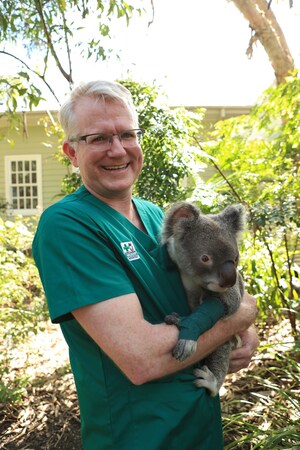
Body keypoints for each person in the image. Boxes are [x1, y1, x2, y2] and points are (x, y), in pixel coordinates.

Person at [32, 80, 258, 450]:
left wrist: (241, 335)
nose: (117, 149)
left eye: (126, 134)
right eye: (99, 138)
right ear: (71, 152)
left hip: (198, 426)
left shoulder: (160, 219)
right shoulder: (68, 226)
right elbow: (142, 358)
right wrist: (238, 317)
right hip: (139, 434)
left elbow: (213, 288)